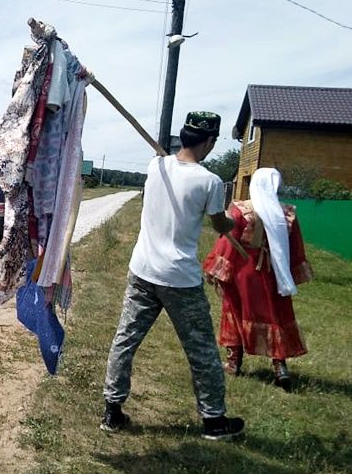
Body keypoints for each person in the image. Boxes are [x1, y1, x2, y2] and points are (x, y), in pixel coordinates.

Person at [101, 111, 245, 441]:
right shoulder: (208, 181)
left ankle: (112, 411)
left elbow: (165, 165)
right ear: (208, 142)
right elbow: (219, 224)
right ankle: (214, 421)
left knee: (125, 339)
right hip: (179, 278)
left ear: (183, 136)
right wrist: (235, 224)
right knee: (202, 351)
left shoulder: (157, 167)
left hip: (143, 271)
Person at [203, 168, 312, 389]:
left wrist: (218, 269)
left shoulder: (241, 211)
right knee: (276, 315)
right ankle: (279, 366)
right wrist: (289, 272)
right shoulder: (286, 214)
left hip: (245, 272)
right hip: (274, 273)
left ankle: (234, 362)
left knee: (235, 310)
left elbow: (228, 241)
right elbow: (295, 247)